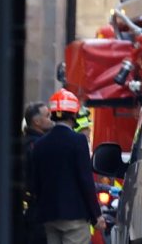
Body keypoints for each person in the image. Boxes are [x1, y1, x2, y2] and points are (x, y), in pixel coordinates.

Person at [29, 89, 105, 244]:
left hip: (49, 216)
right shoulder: (78, 141)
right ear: (73, 114)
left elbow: (35, 181)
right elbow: (85, 180)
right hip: (74, 216)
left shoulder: (40, 144)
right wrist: (96, 215)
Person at [22, 101, 54, 244]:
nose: (51, 119)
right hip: (39, 212)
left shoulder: (26, 143)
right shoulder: (38, 146)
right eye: (47, 116)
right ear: (36, 122)